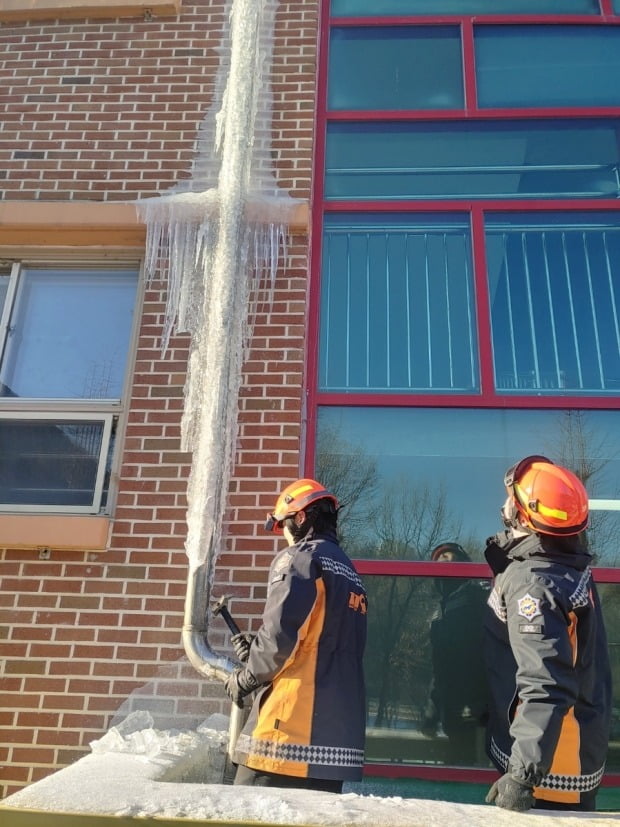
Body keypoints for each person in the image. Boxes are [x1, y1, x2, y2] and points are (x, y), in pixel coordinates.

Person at [484, 455, 612, 812]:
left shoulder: (534, 585)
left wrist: (522, 776)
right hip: (560, 755)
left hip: (546, 773)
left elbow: (545, 685)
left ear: (525, 515)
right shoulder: (565, 570)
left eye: (514, 498)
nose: (506, 504)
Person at [224, 478, 368, 793]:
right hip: (334, 747)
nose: (285, 538)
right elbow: (316, 643)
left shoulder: (300, 559)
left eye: (283, 526)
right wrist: (258, 655)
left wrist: (246, 678)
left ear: (300, 518)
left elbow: (279, 637)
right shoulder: (350, 574)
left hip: (288, 735)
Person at [421, 542, 489, 765]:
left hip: (480, 710)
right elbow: (439, 667)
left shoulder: (480, 599)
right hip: (454, 710)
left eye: (451, 557)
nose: (446, 562)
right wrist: (432, 713)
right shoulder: (440, 614)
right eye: (441, 560)